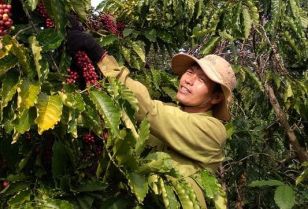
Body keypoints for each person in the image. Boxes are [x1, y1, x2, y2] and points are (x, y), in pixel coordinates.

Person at [67, 18, 236, 208]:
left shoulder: (213, 132)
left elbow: (148, 110)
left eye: (202, 80)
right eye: (190, 72)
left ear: (216, 98)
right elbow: (128, 113)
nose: (189, 80)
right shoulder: (171, 110)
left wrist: (100, 56)